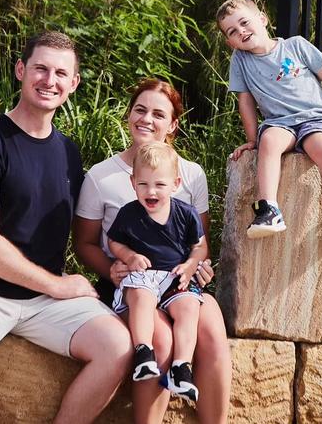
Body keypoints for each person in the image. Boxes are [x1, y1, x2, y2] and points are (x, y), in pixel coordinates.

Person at [0, 31, 132, 424]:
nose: (49, 80)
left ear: (73, 84)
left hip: (44, 302)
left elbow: (95, 229)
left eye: (61, 73)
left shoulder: (68, 153)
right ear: (21, 70)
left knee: (118, 346)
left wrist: (134, 260)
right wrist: (57, 285)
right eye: (40, 68)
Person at [74, 78, 232, 424]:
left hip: (179, 282)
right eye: (140, 110)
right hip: (132, 283)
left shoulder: (190, 175)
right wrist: (112, 266)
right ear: (129, 115)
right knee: (160, 339)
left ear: (173, 124)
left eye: (158, 114)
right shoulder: (101, 177)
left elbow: (199, 241)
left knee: (211, 334)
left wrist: (199, 266)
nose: (147, 119)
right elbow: (83, 243)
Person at [216, 0, 322, 253]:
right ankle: (269, 209)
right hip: (280, 123)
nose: (241, 31)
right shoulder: (241, 61)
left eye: (244, 22)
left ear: (263, 19)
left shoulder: (296, 46)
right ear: (229, 41)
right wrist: (253, 139)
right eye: (232, 31)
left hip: (315, 118)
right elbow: (245, 103)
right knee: (269, 142)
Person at [108, 142, 207, 402]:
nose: (151, 191)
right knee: (141, 297)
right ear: (133, 183)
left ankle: (181, 368)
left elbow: (200, 246)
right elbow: (113, 242)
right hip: (144, 275)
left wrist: (191, 264)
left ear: (175, 184)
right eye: (143, 184)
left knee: (189, 308)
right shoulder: (128, 214)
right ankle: (143, 352)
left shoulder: (185, 214)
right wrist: (128, 256)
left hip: (175, 276)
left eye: (159, 185)